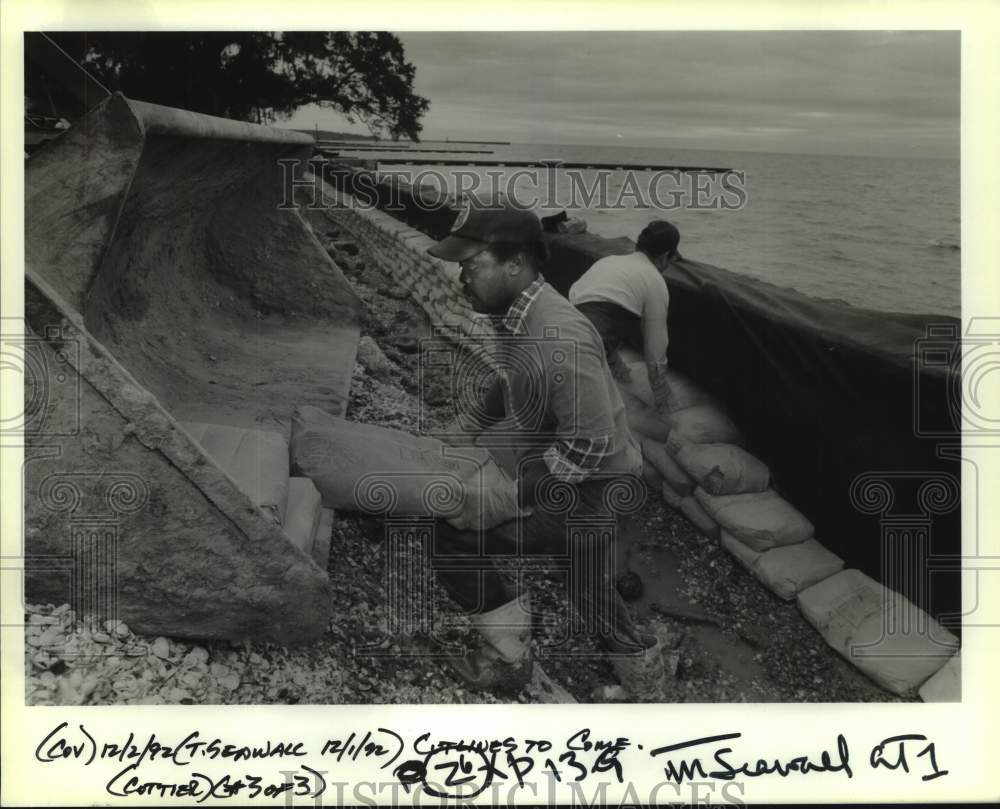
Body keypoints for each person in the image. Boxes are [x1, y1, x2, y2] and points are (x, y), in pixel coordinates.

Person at [425, 200, 675, 699]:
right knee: (584, 581)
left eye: (471, 267)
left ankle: (506, 658)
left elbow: (589, 441)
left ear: (515, 263)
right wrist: (466, 427)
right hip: (596, 481)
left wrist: (509, 499)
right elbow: (513, 378)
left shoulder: (558, 333)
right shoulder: (513, 314)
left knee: (450, 535)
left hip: (593, 487)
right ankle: (643, 669)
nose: (461, 280)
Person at [568, 220, 679, 414]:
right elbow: (656, 343)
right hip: (581, 354)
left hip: (558, 331)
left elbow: (581, 307)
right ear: (664, 256)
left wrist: (613, 361)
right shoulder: (654, 280)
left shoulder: (608, 261)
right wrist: (660, 390)